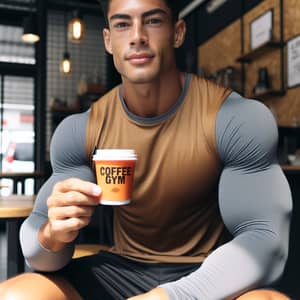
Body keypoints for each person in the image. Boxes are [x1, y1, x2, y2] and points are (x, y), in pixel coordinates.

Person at [0, 0, 293, 299]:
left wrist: (169, 296)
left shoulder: (234, 118)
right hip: (120, 270)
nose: (137, 36)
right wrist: (53, 235)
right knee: (17, 294)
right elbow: (39, 253)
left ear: (177, 33)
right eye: (122, 24)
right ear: (108, 40)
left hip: (209, 273)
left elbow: (264, 240)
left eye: (152, 21)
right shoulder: (81, 130)